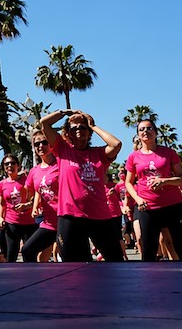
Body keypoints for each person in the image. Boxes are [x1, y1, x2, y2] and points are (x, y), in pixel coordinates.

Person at [39, 109, 123, 262]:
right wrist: (65, 112)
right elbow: (44, 123)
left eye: (83, 127)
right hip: (70, 217)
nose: (79, 130)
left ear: (89, 132)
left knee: (116, 260)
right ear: (69, 133)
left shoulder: (99, 154)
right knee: (73, 264)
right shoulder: (62, 149)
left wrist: (93, 125)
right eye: (74, 128)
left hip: (100, 216)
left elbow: (116, 144)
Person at [125, 119, 182, 262]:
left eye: (149, 128)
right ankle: (149, 282)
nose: (145, 131)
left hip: (174, 206)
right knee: (149, 249)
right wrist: (138, 199)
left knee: (181, 247)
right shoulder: (133, 157)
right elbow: (128, 183)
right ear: (138, 135)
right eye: (142, 129)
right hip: (149, 208)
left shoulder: (168, 153)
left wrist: (165, 181)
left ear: (155, 132)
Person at [22, 131, 59, 263]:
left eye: (44, 142)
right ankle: (34, 281)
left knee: (72, 258)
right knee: (27, 250)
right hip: (48, 223)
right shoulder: (34, 171)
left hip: (65, 220)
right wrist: (33, 204)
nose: (40, 146)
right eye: (36, 143)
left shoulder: (61, 165)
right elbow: (34, 192)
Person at [0, 153, 35, 262]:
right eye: (6, 164)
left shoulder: (26, 180)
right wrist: (0, 218)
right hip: (12, 223)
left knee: (28, 253)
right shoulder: (1, 184)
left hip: (29, 223)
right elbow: (1, 204)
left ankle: (31, 276)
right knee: (11, 253)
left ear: (18, 166)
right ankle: (12, 277)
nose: (9, 166)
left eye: (12, 163)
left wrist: (27, 205)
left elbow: (34, 199)